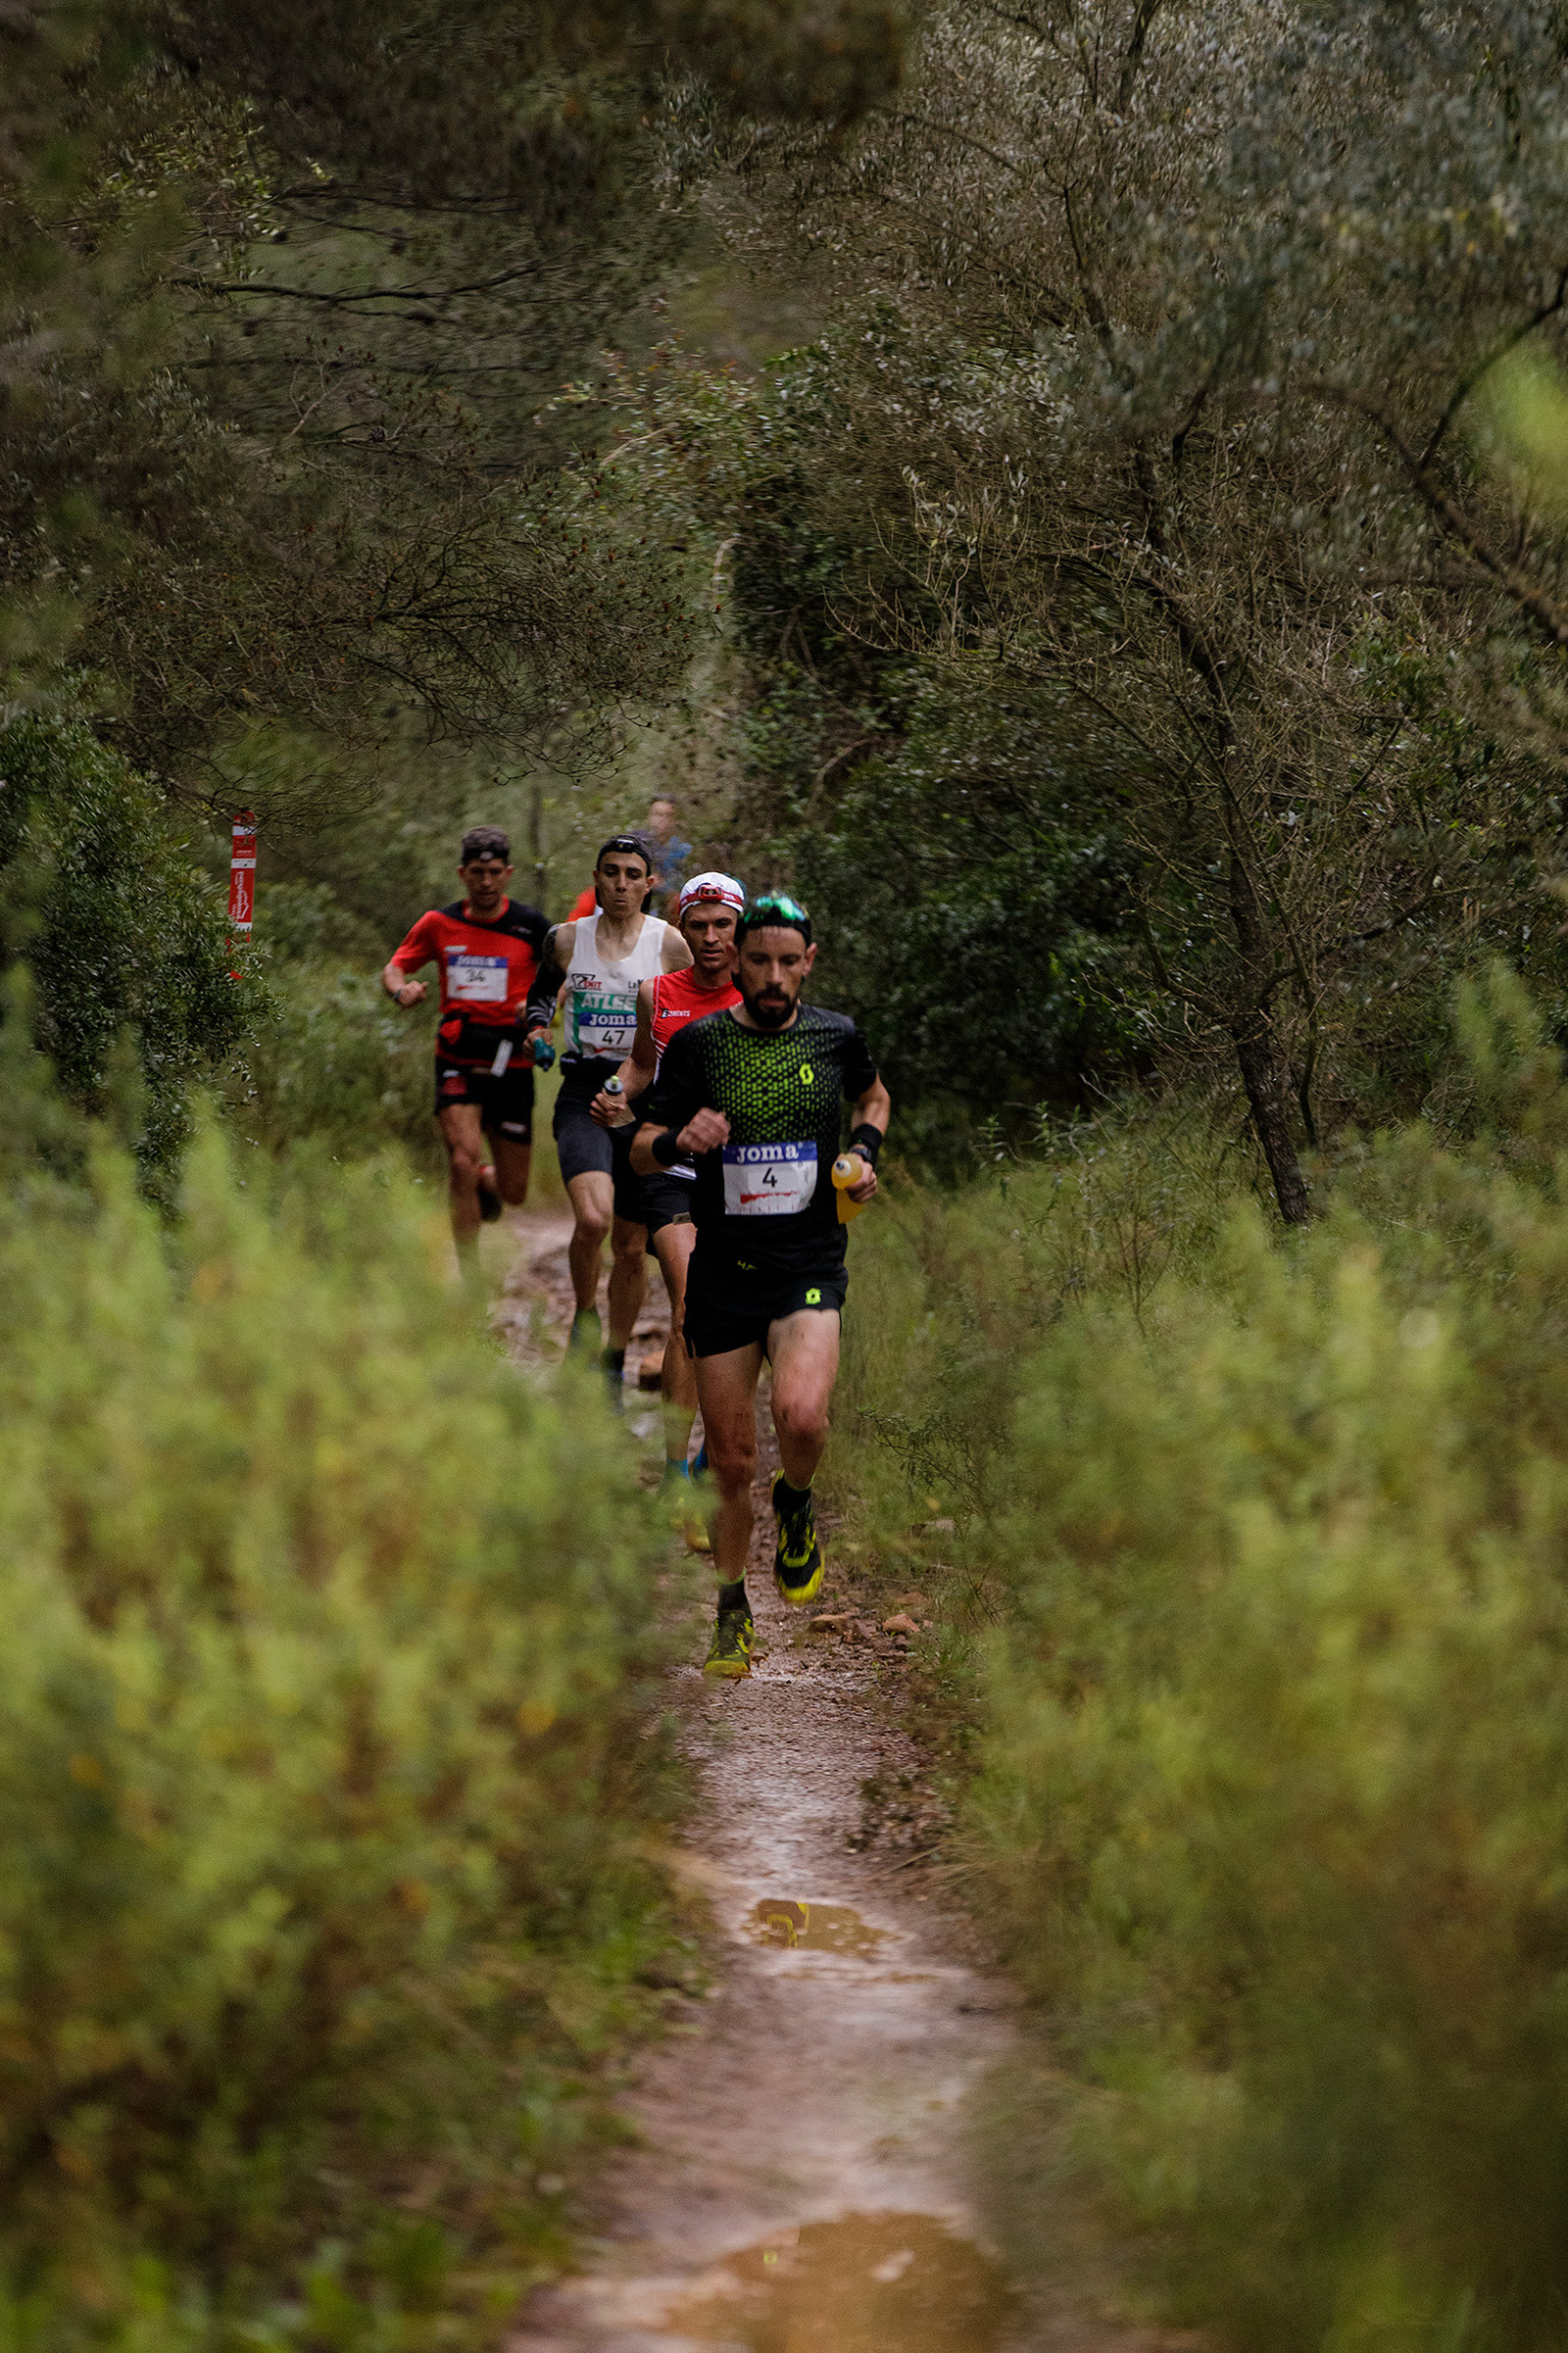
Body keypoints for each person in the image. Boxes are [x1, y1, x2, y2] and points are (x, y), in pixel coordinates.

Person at [634, 892, 890, 1677]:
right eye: (758, 961)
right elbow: (642, 1145)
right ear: (736, 962)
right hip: (726, 1273)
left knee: (803, 1415)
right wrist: (679, 1138)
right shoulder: (701, 1044)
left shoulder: (835, 1034)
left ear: (808, 962)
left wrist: (864, 1151)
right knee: (732, 1463)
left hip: (808, 1264)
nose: (773, 977)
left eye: (787, 962)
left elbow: (873, 1095)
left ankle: (797, 1497)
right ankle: (731, 1608)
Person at [589, 872, 745, 1539]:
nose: (710, 937)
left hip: (742, 1179)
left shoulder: (760, 997)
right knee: (688, 1305)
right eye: (698, 925)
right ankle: (676, 1476)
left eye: (722, 924)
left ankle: (711, 1458)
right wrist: (614, 1091)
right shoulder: (658, 993)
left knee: (744, 1323)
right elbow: (640, 1069)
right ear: (682, 928)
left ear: (739, 928)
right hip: (672, 1168)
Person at [522, 835, 692, 1404]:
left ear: (649, 883)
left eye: (632, 874)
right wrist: (537, 1029)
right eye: (611, 872)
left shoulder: (669, 943)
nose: (621, 884)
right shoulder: (567, 939)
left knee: (630, 1243)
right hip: (585, 1090)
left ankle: (614, 1361)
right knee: (593, 1219)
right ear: (596, 878)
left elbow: (698, 1004)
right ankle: (584, 1316)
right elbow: (540, 995)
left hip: (646, 1097)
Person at [382, 826, 551, 1276]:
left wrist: (539, 1009)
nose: (486, 882)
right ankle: (471, 1277)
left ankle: (485, 1181)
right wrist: (401, 991)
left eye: (494, 872)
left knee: (514, 1192)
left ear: (508, 873)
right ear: (462, 873)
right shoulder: (439, 924)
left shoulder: (532, 926)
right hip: (457, 1058)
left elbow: (565, 980)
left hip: (513, 1062)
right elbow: (394, 968)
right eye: (477, 872)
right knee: (461, 1160)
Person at [644, 796, 692, 912]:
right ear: (649, 817)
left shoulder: (684, 850)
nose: (662, 820)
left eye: (668, 816)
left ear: (675, 820)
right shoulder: (641, 846)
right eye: (658, 814)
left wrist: (664, 887)